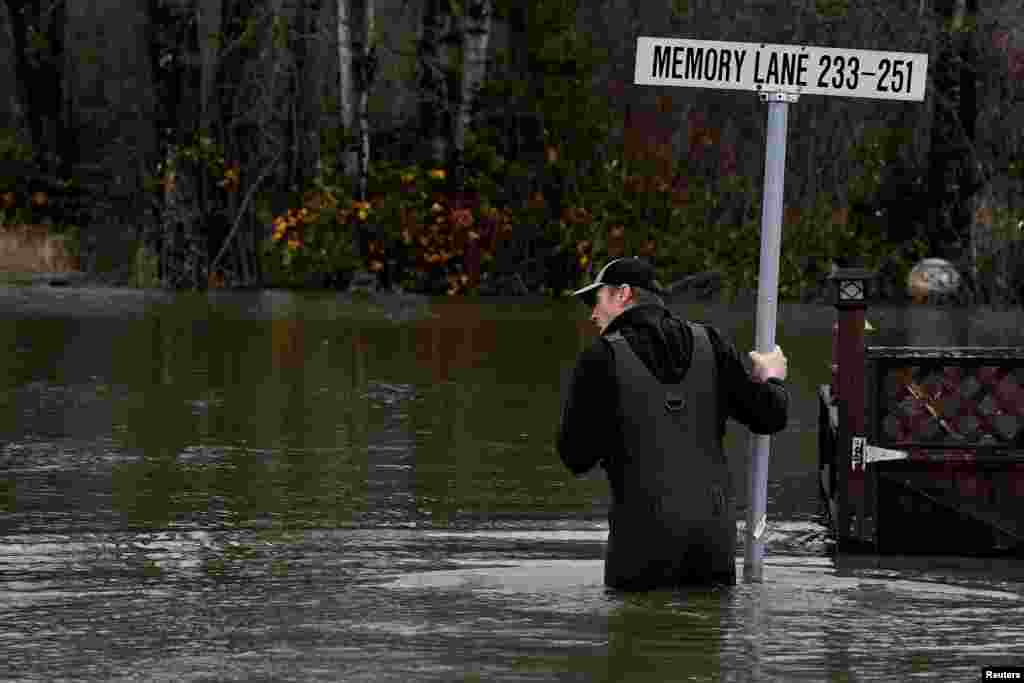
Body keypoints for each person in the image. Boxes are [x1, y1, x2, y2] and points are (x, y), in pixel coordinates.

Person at [557, 257, 789, 590]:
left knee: (639, 636)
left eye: (596, 301)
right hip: (712, 547)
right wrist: (772, 379)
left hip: (639, 549)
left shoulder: (600, 359)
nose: (593, 314)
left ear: (623, 295)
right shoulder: (712, 343)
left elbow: (575, 457)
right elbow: (770, 416)